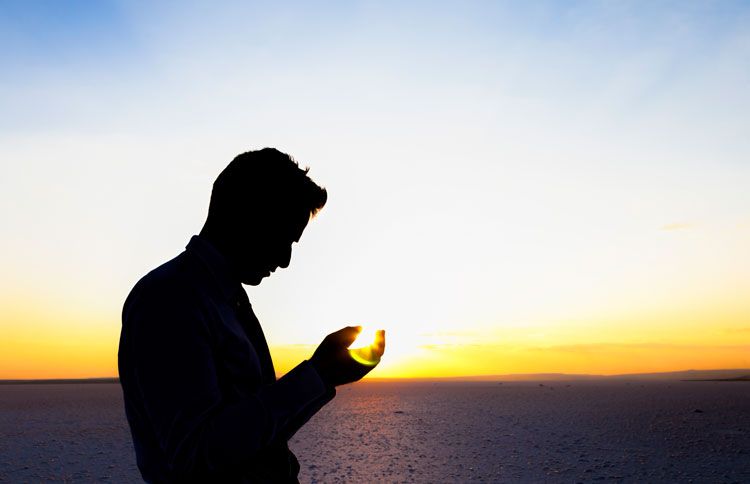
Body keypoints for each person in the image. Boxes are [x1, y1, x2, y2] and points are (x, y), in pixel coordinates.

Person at [118, 148, 385, 483]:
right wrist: (317, 375)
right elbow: (197, 454)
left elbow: (250, 433)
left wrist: (321, 377)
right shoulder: (170, 299)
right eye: (284, 238)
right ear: (250, 217)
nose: (286, 260)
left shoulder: (223, 298)